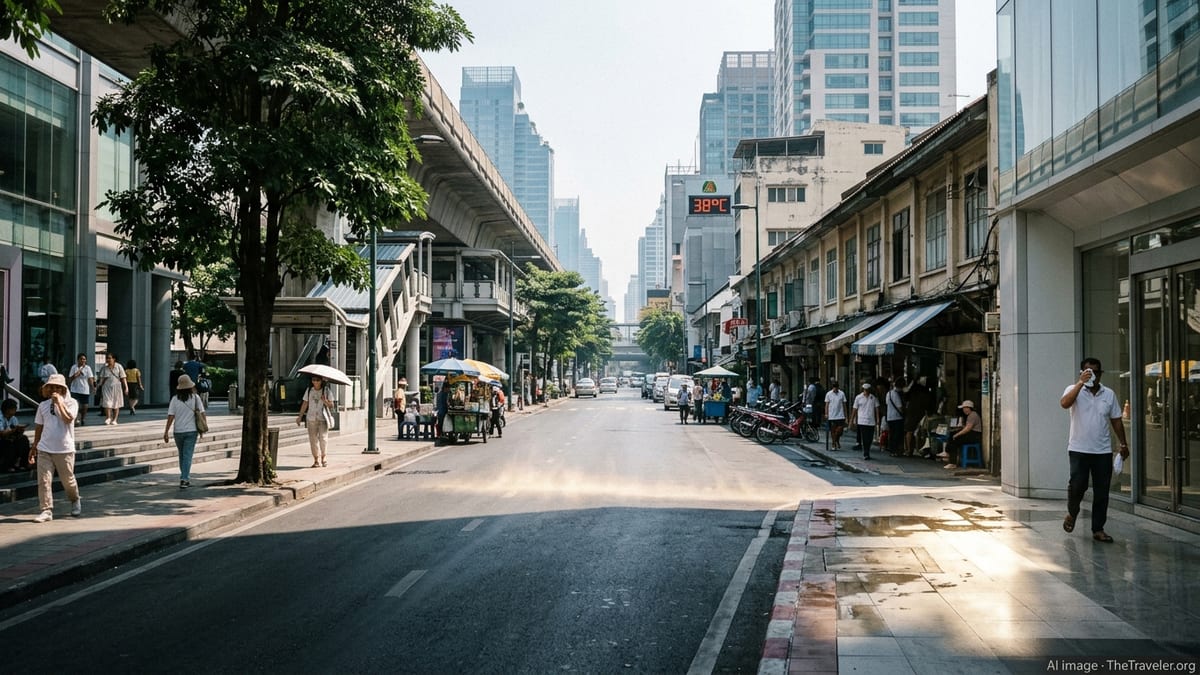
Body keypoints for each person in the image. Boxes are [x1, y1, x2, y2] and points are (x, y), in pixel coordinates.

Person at [1060, 357, 1129, 544]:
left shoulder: (1109, 394)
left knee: (1102, 492)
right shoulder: (1073, 390)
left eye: (1096, 372)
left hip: (1102, 451)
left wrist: (1123, 444)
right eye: (1088, 372)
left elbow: (1116, 420)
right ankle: (1072, 513)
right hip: (1078, 449)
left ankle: (1098, 528)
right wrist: (1080, 383)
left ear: (1101, 374)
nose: (1093, 376)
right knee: (1077, 486)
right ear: (1082, 372)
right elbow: (1064, 403)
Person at [30, 373, 80, 522]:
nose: (54, 390)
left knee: (68, 480)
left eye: (58, 387)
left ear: (63, 389)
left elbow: (68, 419)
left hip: (64, 448)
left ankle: (75, 499)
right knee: (44, 480)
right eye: (51, 387)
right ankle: (46, 510)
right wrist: (34, 446)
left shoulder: (72, 403)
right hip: (45, 447)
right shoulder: (43, 406)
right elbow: (39, 427)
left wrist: (59, 403)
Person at [163, 374, 205, 489]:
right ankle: (184, 478)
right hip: (192, 431)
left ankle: (184, 476)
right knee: (187, 455)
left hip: (178, 432)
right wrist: (203, 429)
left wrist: (166, 431)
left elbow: (171, 416)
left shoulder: (174, 399)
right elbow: (202, 414)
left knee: (182, 455)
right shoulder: (196, 398)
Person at [296, 374, 334, 467]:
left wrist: (325, 401)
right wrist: (300, 416)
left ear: (321, 381)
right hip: (311, 418)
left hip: (323, 418)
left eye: (317, 380)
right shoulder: (309, 390)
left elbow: (331, 405)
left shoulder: (326, 391)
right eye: (313, 380)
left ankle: (324, 457)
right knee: (313, 440)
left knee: (323, 439)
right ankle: (316, 459)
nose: (315, 382)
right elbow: (305, 403)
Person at [940, 399, 982, 469]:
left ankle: (952, 462)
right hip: (972, 434)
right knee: (952, 434)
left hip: (974, 436)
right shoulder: (970, 415)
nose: (964, 410)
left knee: (954, 440)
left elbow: (967, 429)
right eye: (963, 408)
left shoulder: (973, 415)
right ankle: (947, 452)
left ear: (969, 408)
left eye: (965, 408)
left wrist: (957, 434)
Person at [904, 376, 933, 457]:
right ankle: (918, 449)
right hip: (921, 413)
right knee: (919, 432)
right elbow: (928, 405)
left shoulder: (912, 390)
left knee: (909, 431)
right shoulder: (927, 393)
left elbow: (905, 396)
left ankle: (909, 450)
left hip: (911, 412)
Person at [96, 352, 127, 426]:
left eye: (110, 358)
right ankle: (108, 418)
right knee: (107, 403)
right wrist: (98, 386)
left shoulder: (119, 366)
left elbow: (123, 378)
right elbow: (101, 379)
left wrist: (126, 388)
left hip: (117, 387)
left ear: (114, 359)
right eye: (107, 358)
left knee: (116, 403)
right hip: (106, 387)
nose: (108, 359)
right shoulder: (104, 368)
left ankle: (115, 419)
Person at [0, 398, 31, 472]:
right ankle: (8, 466)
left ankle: (23, 464)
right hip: (2, 440)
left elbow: (16, 430)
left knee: (24, 439)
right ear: (8, 409)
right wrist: (13, 430)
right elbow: (1, 433)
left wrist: (20, 431)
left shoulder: (13, 418)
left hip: (10, 437)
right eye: (14, 409)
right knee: (8, 443)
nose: (15, 411)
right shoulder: (0, 417)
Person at [852, 382, 880, 460]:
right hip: (862, 421)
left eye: (867, 390)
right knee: (864, 437)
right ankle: (866, 453)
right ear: (863, 390)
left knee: (870, 438)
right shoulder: (858, 398)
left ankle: (867, 449)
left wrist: (878, 419)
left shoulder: (873, 398)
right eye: (865, 390)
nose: (866, 392)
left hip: (871, 421)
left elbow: (877, 409)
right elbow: (855, 409)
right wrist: (852, 420)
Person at [67, 353, 95, 426]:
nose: (83, 360)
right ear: (78, 360)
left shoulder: (87, 368)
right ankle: (76, 419)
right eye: (81, 359)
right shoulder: (74, 367)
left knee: (85, 406)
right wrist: (76, 375)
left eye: (84, 359)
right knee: (76, 405)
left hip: (85, 389)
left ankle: (83, 418)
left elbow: (90, 378)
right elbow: (70, 379)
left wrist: (92, 387)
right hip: (75, 389)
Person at [885, 378, 906, 457]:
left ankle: (892, 450)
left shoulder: (888, 393)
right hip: (897, 417)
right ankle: (895, 450)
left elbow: (887, 403)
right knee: (897, 435)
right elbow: (900, 407)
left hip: (890, 417)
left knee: (892, 434)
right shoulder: (896, 394)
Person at [825, 380, 848, 450]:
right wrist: (826, 413)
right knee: (833, 431)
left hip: (840, 415)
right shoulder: (828, 394)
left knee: (839, 431)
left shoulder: (842, 394)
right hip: (832, 415)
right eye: (834, 387)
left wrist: (846, 416)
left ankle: (836, 440)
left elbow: (844, 405)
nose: (835, 388)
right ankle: (833, 443)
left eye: (836, 387)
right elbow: (827, 405)